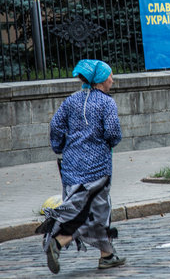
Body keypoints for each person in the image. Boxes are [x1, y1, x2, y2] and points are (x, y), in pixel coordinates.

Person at [37, 60, 125, 273]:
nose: (113, 79)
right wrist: (109, 143)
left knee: (93, 209)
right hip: (97, 168)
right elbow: (113, 132)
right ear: (102, 80)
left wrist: (60, 146)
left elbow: (56, 125)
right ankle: (59, 241)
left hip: (71, 167)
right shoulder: (106, 103)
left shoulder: (71, 100)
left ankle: (107, 255)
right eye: (111, 76)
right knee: (92, 212)